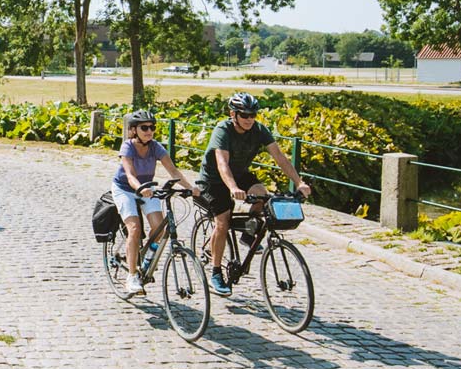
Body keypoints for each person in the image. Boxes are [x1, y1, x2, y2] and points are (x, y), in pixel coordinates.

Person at [194, 92, 312, 296]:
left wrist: (299, 182)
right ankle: (215, 273)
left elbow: (280, 158)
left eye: (253, 115)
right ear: (233, 114)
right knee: (223, 221)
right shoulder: (223, 130)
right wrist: (232, 189)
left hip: (240, 175)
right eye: (244, 115)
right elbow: (222, 164)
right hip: (213, 181)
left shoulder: (259, 130)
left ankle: (248, 237)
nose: (249, 119)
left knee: (262, 195)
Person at [112, 110, 200, 297]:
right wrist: (140, 188)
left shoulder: (156, 147)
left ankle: (146, 259)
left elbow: (173, 171)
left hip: (147, 188)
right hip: (125, 189)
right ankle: (132, 275)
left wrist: (190, 188)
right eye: (144, 127)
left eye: (152, 127)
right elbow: (130, 175)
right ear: (134, 130)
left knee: (159, 229)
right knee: (134, 229)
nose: (149, 131)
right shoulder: (128, 147)